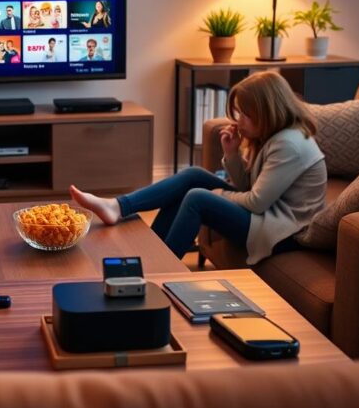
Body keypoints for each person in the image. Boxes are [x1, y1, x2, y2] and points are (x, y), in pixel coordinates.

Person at [70, 71, 326, 265]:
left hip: (283, 232)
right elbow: (248, 186)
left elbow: (256, 202)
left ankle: (161, 270)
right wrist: (232, 154)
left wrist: (219, 194)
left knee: (198, 198)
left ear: (267, 112)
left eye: (245, 115)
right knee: (194, 176)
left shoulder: (289, 144)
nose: (238, 121)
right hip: (267, 216)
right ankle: (119, 208)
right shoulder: (274, 136)